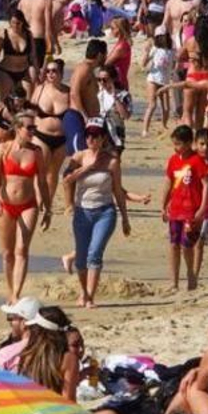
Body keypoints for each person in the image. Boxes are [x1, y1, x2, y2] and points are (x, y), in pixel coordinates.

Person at [62, 118, 132, 309]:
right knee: (82, 256)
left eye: (96, 135)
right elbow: (67, 179)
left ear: (103, 138)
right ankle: (83, 292)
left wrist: (125, 218)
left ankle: (90, 296)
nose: (92, 139)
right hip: (82, 211)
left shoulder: (112, 161)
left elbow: (118, 190)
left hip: (105, 211)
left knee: (95, 253)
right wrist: (88, 168)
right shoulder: (78, 157)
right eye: (89, 135)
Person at [0, 110, 51, 303]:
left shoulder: (36, 151)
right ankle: (10, 289)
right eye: (29, 128)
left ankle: (16, 294)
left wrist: (47, 208)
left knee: (21, 249)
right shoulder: (4, 148)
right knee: (7, 253)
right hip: (6, 204)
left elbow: (42, 182)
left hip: (28, 205)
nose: (33, 131)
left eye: (34, 127)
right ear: (18, 128)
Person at [162, 124, 208, 292]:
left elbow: (206, 185)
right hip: (175, 209)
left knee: (186, 245)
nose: (176, 148)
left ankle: (190, 274)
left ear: (189, 143)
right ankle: (173, 282)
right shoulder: (173, 160)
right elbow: (168, 183)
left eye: (179, 144)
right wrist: (163, 205)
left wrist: (202, 208)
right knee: (173, 244)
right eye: (174, 144)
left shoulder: (197, 161)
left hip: (192, 211)